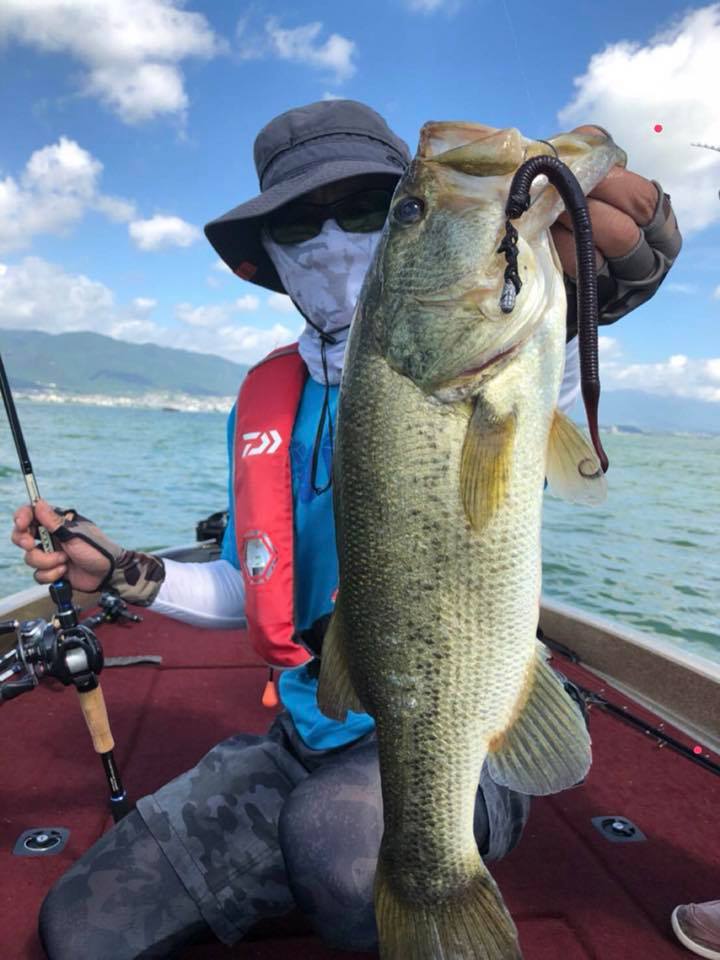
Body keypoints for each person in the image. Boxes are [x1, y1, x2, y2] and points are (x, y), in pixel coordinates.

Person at [11, 100, 682, 960]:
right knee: (80, 929)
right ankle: (304, 871)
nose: (330, 242)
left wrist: (605, 283)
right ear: (272, 257)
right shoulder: (264, 399)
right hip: (305, 735)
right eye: (299, 223)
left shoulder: (507, 348)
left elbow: (550, 325)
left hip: (463, 735)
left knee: (341, 847)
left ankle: (411, 874)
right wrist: (123, 571)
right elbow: (251, 585)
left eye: (373, 210)